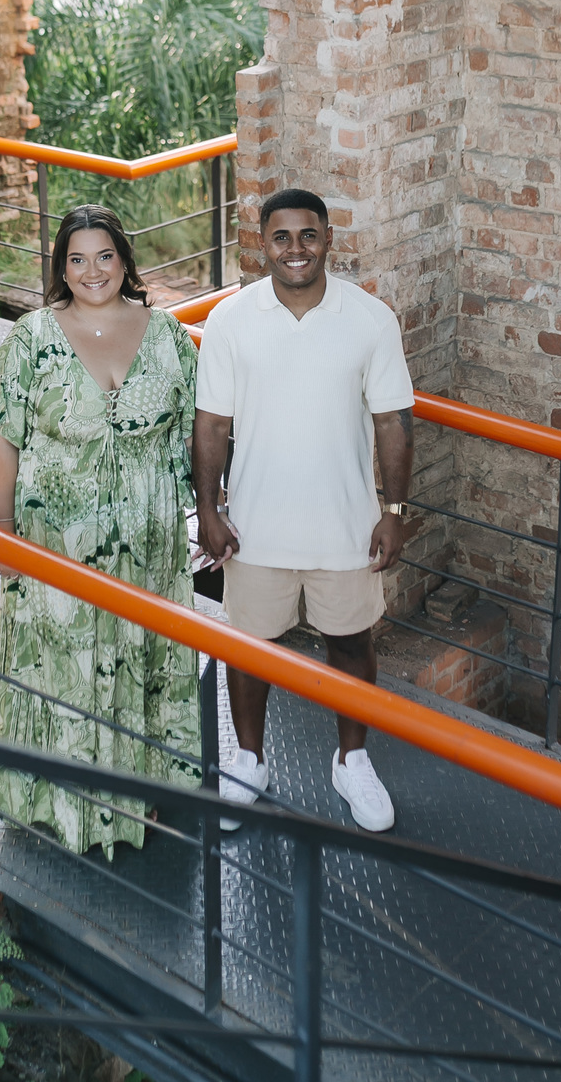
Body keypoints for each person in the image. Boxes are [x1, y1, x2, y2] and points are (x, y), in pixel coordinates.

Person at [0, 203, 201, 856]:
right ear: (61, 268)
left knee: (146, 656)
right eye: (76, 259)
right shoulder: (31, 338)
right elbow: (2, 435)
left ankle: (142, 789)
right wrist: (0, 531)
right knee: (61, 669)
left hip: (148, 548)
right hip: (57, 548)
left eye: (104, 256)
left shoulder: (167, 335)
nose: (92, 271)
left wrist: (210, 511)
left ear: (126, 261)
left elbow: (198, 429)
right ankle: (62, 800)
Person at [192, 187, 414, 833]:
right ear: (263, 243)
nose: (296, 249)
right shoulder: (231, 320)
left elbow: (393, 421)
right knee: (250, 648)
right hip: (255, 526)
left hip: (345, 526)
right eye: (282, 237)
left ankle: (352, 761)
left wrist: (394, 510)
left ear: (328, 240)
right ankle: (250, 762)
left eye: (308, 235)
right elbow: (211, 425)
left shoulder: (371, 319)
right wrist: (209, 510)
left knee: (351, 643)